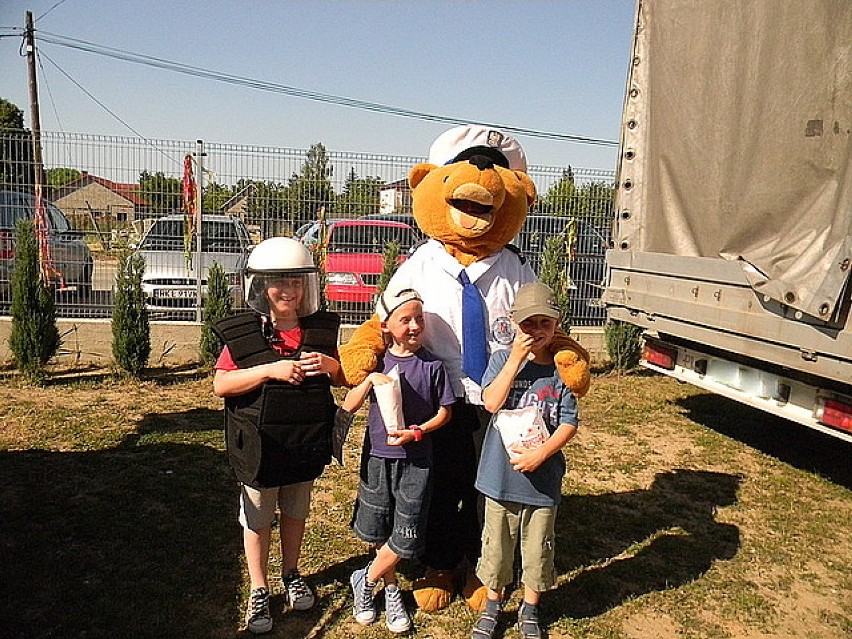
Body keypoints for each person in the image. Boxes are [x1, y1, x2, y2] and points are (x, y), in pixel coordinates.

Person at [212, 237, 345, 635]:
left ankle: (291, 572)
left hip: (304, 442)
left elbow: (342, 380)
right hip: (259, 448)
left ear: (308, 286)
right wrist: (270, 370)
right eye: (278, 283)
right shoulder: (245, 333)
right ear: (260, 287)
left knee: (295, 511)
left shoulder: (319, 330)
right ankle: (258, 586)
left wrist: (329, 365)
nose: (288, 291)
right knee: (257, 517)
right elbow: (222, 385)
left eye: (296, 282)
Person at [343, 284, 456, 633]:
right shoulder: (379, 363)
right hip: (378, 457)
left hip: (417, 459)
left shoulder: (433, 366)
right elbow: (348, 405)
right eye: (405, 319)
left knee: (406, 531)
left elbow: (445, 413)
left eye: (419, 319)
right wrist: (369, 381)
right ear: (386, 326)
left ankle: (365, 577)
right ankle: (390, 588)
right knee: (379, 524)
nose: (414, 326)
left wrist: (418, 431)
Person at [471, 282, 579, 639]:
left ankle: (530, 609)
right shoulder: (503, 359)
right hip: (499, 478)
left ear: (556, 325)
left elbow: (569, 422)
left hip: (542, 481)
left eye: (544, 323)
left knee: (537, 550)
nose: (535, 331)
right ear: (514, 324)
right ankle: (492, 606)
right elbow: (491, 402)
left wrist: (542, 454)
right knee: (497, 548)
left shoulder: (562, 369)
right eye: (527, 323)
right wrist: (515, 359)